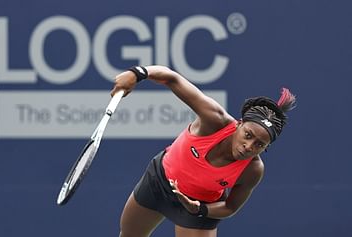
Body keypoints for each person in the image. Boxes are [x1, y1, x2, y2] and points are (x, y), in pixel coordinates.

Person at [111, 65, 297, 237]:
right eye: (248, 135)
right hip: (159, 181)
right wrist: (137, 73)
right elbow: (171, 78)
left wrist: (199, 210)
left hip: (200, 206)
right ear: (239, 124)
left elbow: (231, 207)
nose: (249, 146)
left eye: (259, 144)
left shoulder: (253, 170)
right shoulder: (214, 119)